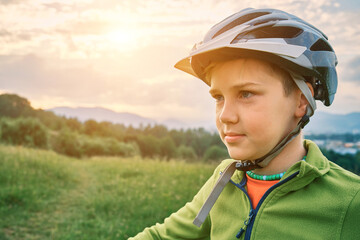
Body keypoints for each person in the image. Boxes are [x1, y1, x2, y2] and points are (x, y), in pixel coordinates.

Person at [129, 8, 360, 239]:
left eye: (246, 94)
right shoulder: (224, 179)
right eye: (219, 98)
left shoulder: (350, 201)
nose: (225, 116)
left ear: (301, 101)